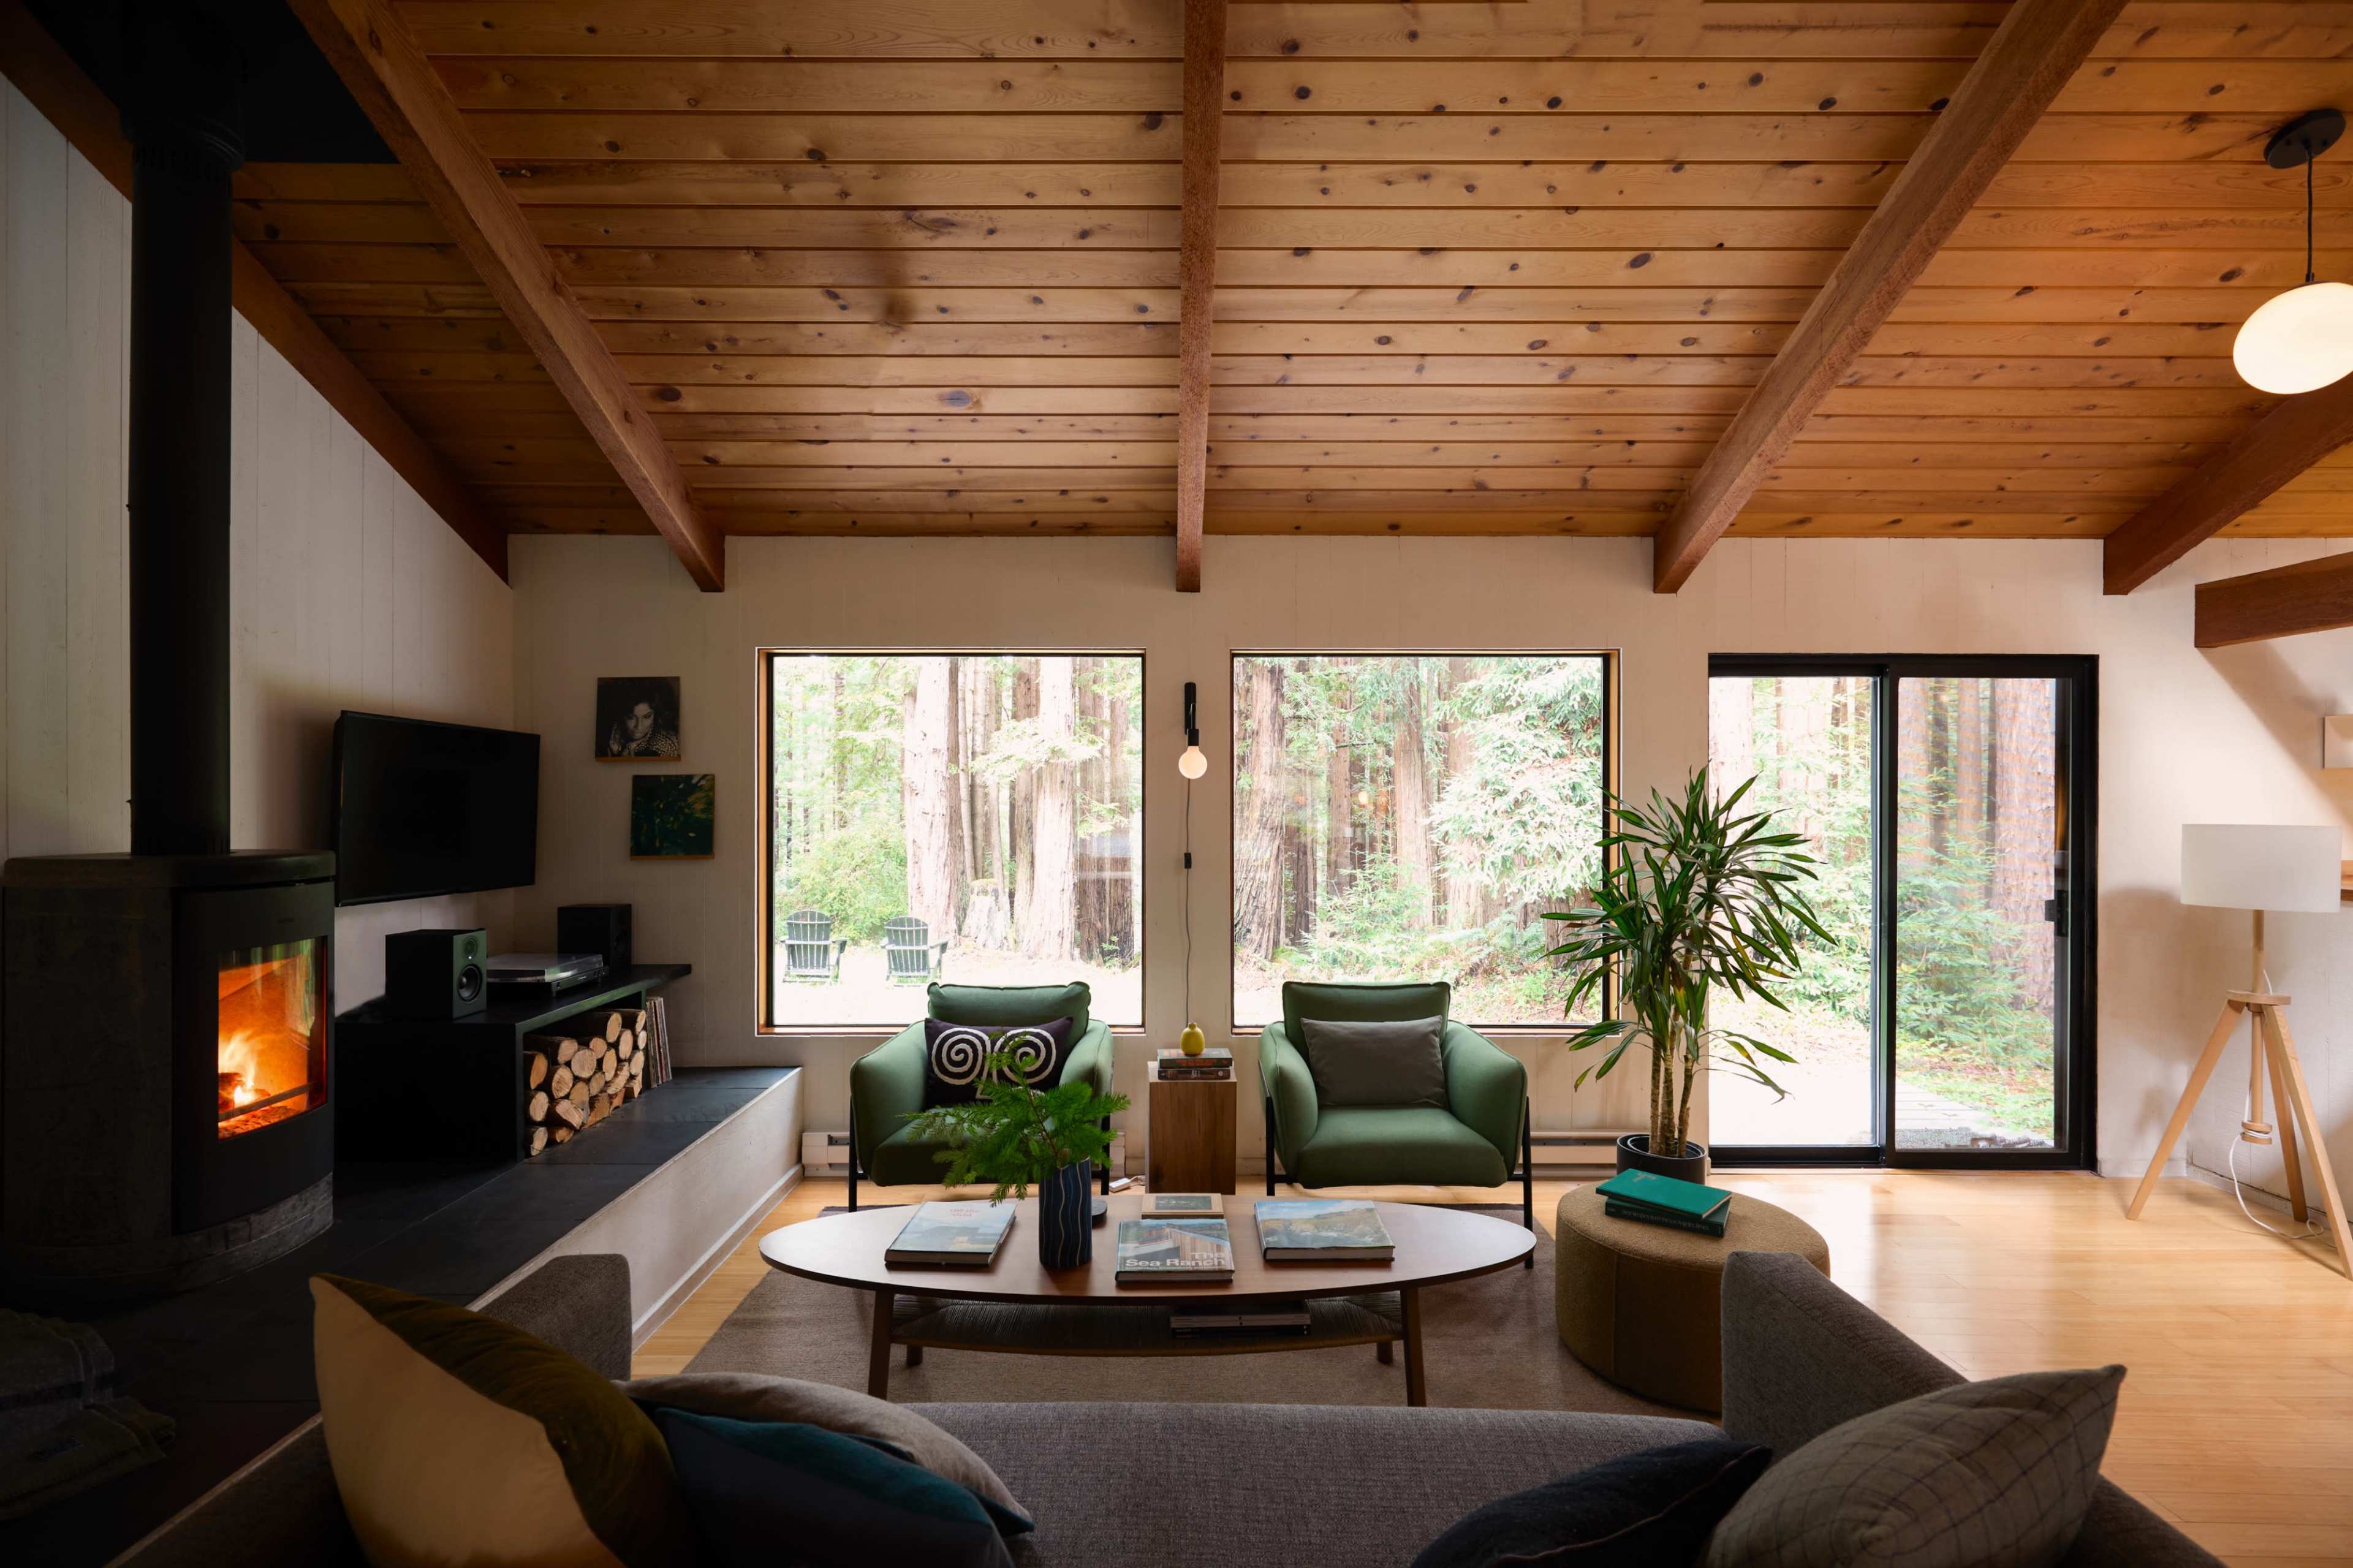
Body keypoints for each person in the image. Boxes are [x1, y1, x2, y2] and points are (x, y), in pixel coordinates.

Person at [606, 697, 678, 757]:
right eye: (631, 717)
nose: (639, 727)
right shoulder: (608, 734)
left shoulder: (664, 745)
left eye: (647, 717)